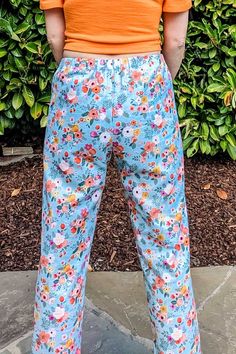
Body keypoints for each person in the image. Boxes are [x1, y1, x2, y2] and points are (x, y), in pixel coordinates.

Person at [31, 1, 202, 353]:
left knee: (63, 235)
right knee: (164, 234)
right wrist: (154, 86)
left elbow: (54, 35)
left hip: (79, 79)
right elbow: (175, 41)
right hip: (147, 83)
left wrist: (83, 74)